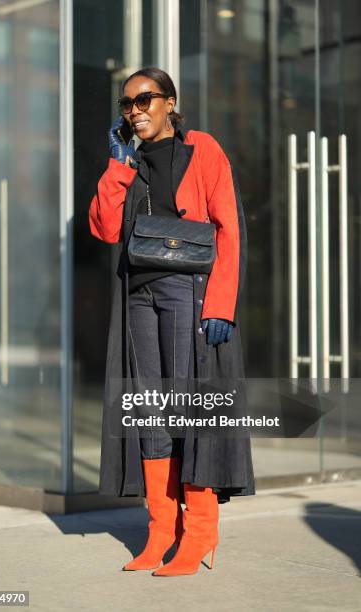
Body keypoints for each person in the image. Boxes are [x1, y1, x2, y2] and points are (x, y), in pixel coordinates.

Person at [89, 66, 255, 577]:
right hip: (139, 294)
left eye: (144, 100)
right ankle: (162, 528)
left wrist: (221, 306)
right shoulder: (129, 160)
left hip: (189, 291)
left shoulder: (202, 148)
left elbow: (228, 227)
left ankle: (199, 533)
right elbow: (104, 227)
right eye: (127, 104)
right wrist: (117, 166)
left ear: (169, 103)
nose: (135, 111)